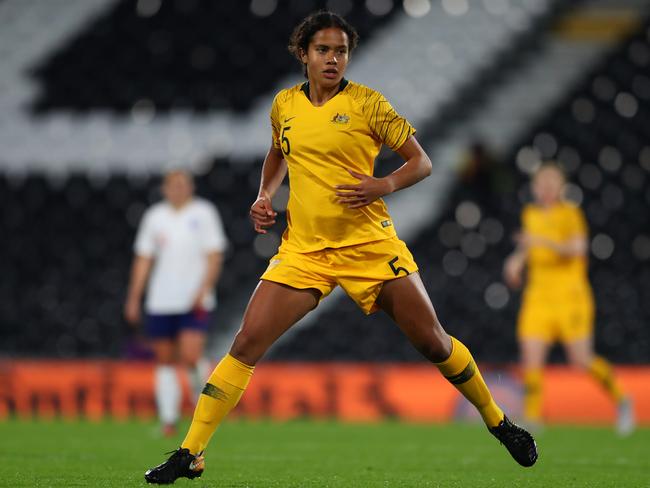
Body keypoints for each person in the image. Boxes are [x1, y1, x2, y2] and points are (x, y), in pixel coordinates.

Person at [144, 11, 537, 484]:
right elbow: (277, 153)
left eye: (341, 51)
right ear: (304, 54)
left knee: (433, 342)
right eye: (323, 50)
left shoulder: (368, 104)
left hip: (370, 245)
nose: (333, 59)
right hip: (304, 251)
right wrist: (264, 195)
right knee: (245, 343)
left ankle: (498, 421)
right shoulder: (284, 105)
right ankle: (190, 452)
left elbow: (422, 162)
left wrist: (382, 184)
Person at [503, 162, 634, 433]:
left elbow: (577, 248)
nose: (546, 189)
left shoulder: (571, 214)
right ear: (535, 187)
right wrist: (515, 262)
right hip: (538, 296)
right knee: (531, 360)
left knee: (582, 360)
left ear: (561, 187)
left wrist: (541, 241)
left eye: (552, 184)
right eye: (542, 184)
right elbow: (528, 247)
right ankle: (532, 419)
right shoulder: (531, 214)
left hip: (570, 297)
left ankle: (622, 400)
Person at [125, 170, 227, 436]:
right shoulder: (155, 217)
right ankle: (168, 420)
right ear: (165, 188)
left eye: (183, 184)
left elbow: (215, 256)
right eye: (173, 185)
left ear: (191, 187)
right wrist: (134, 297)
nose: (178, 189)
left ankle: (205, 412)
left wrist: (203, 290)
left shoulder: (204, 213)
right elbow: (143, 259)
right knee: (165, 360)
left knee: (192, 356)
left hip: (194, 299)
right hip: (161, 299)